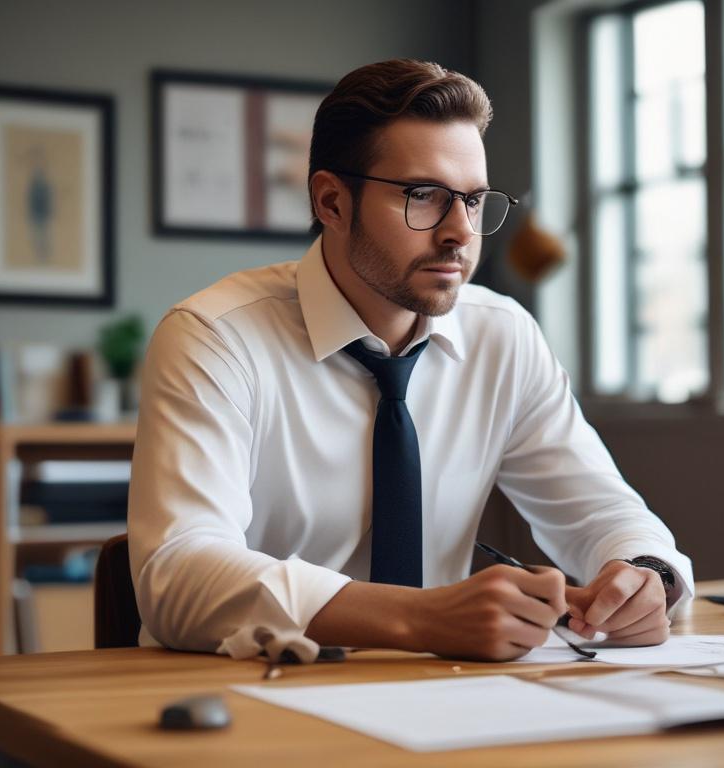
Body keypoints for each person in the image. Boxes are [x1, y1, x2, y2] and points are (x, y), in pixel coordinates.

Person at [129, 59, 693, 662]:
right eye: (424, 197)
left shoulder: (503, 336)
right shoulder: (215, 338)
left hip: (442, 692)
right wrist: (421, 617)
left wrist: (645, 575)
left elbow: (602, 510)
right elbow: (178, 574)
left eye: (473, 201)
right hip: (253, 690)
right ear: (332, 202)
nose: (460, 232)